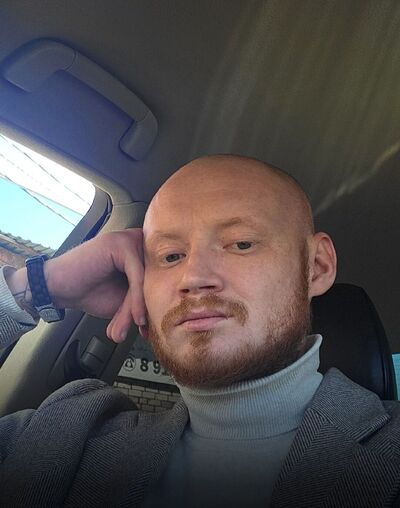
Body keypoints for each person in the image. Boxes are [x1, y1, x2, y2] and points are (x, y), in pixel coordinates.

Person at [0, 154, 399, 507]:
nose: (192, 277)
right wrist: (38, 286)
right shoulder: (68, 438)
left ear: (317, 267)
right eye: (171, 255)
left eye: (241, 244)